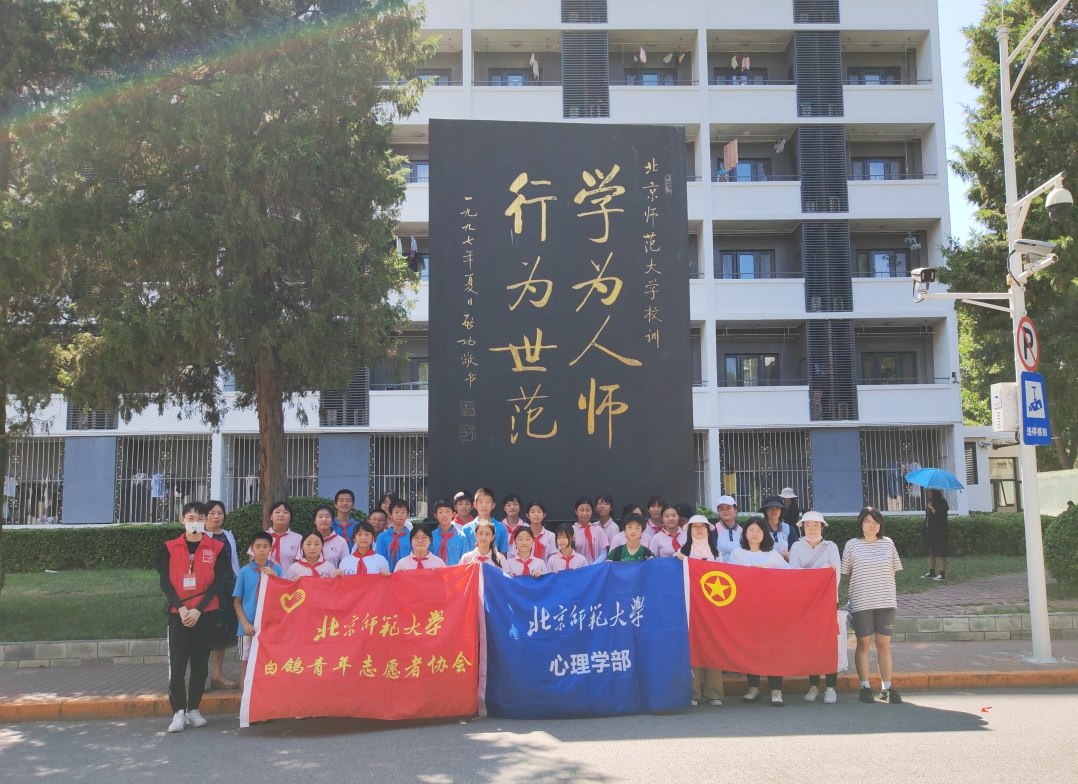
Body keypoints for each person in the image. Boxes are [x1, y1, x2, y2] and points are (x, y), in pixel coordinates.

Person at [157, 502, 231, 733]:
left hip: (205, 613)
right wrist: (180, 608)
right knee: (178, 665)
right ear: (182, 520)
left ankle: (193, 709)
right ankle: (178, 711)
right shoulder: (169, 547)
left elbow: (218, 581)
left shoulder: (217, 547)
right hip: (178, 614)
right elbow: (164, 582)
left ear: (205, 521)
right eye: (191, 518)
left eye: (200, 518)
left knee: (200, 664)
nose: (195, 522)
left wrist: (199, 609)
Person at [842, 507, 903, 705]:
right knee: (863, 644)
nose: (872, 525)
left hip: (886, 601)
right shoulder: (852, 545)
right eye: (867, 521)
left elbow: (894, 569)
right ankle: (865, 687)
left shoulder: (888, 543)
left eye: (876, 522)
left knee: (884, 645)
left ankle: (886, 687)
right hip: (861, 601)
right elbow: (846, 573)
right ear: (861, 523)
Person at [729, 519, 789, 705]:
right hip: (746, 610)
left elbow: (789, 575)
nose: (754, 534)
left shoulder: (772, 555)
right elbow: (733, 577)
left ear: (765, 534)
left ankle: (776, 690)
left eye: (759, 530)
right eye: (751, 530)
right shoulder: (737, 553)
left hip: (771, 611)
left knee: (773, 650)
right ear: (745, 533)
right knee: (750, 648)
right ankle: (753, 688)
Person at [789, 511, 841, 704]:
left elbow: (835, 576)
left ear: (822, 527)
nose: (811, 528)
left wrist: (810, 575)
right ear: (803, 527)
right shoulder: (796, 546)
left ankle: (831, 687)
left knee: (828, 644)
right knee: (810, 644)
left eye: (816, 525)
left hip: (827, 603)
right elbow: (793, 573)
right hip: (805, 603)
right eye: (808, 525)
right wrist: (821, 572)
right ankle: (813, 685)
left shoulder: (831, 547)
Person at [674, 515, 724, 707]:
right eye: (695, 527)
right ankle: (693, 694)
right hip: (690, 607)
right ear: (689, 531)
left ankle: (714, 693)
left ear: (708, 530)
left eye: (703, 526)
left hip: (712, 609)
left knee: (713, 648)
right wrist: (677, 560)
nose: (699, 530)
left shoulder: (717, 553)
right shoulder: (682, 552)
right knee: (692, 648)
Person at [232, 531, 282, 688]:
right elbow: (237, 601)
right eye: (258, 546)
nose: (261, 550)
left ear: (271, 549)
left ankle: (266, 695)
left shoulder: (277, 569)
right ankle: (245, 698)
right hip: (248, 627)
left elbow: (283, 597)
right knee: (246, 662)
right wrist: (245, 623)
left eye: (265, 546)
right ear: (251, 549)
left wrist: (275, 578)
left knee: (269, 661)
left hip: (270, 625)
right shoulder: (244, 571)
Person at [204, 500, 238, 691]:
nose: (216, 517)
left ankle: (217, 675)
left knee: (221, 631)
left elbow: (234, 563)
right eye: (212, 513)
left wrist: (238, 585)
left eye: (220, 513)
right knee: (204, 632)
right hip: (205, 589)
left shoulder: (228, 535)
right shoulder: (199, 536)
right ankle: (199, 677)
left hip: (225, 589)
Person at [463, 488, 509, 554]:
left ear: (493, 505)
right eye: (480, 502)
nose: (484, 505)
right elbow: (464, 555)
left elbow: (503, 555)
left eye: (488, 502)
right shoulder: (467, 529)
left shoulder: (501, 528)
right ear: (475, 505)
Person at [376, 498, 414, 570]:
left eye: (403, 512)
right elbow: (379, 558)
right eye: (396, 512)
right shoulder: (382, 537)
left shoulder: (412, 537)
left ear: (407, 515)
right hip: (386, 574)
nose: (400, 515)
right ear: (390, 514)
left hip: (406, 574)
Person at [430, 499, 469, 565]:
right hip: (435, 571)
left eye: (447, 511)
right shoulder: (431, 537)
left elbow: (465, 562)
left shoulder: (462, 537)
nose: (444, 515)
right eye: (440, 512)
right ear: (435, 515)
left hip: (456, 571)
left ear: (453, 514)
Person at [266, 501, 302, 573]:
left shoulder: (298, 538)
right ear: (271, 516)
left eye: (285, 512)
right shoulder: (261, 537)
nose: (281, 515)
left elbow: (300, 564)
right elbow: (253, 562)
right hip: (265, 579)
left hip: (289, 579)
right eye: (277, 512)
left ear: (290, 517)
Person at [922, 489, 949, 581]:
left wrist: (932, 508)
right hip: (930, 530)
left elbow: (941, 516)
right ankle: (931, 571)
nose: (928, 493)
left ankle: (942, 573)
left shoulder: (942, 502)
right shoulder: (931, 502)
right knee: (930, 551)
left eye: (930, 491)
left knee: (941, 552)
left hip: (939, 531)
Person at [760, 495, 798, 562]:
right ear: (765, 511)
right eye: (770, 508)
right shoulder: (759, 528)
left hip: (784, 565)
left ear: (781, 511)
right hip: (764, 565)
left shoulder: (789, 529)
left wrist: (782, 555)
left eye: (777, 508)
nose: (774, 511)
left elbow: (794, 553)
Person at [572, 497, 608, 564]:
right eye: (581, 510)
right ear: (576, 511)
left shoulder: (598, 529)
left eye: (588, 510)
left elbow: (604, 554)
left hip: (595, 568)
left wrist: (592, 567)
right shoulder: (571, 530)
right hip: (578, 568)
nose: (585, 513)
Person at [714, 495, 742, 562]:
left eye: (728, 508)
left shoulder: (741, 531)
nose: (725, 511)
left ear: (735, 510)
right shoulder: (714, 529)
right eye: (721, 509)